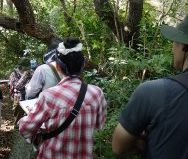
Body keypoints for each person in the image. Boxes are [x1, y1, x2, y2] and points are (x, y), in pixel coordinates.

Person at [112, 14, 188, 159]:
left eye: (174, 42)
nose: (173, 48)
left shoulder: (153, 92)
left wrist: (146, 141)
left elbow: (118, 146)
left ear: (183, 46)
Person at [19, 37, 107, 159]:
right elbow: (99, 127)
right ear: (83, 66)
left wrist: (25, 119)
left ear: (58, 67)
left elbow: (25, 129)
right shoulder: (97, 93)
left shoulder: (49, 96)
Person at [9, 58, 34, 127]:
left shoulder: (31, 72)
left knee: (29, 117)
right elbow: (17, 86)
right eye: (26, 67)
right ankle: (16, 130)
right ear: (21, 66)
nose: (28, 69)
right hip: (18, 98)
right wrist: (24, 75)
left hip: (30, 97)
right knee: (18, 117)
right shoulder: (14, 74)